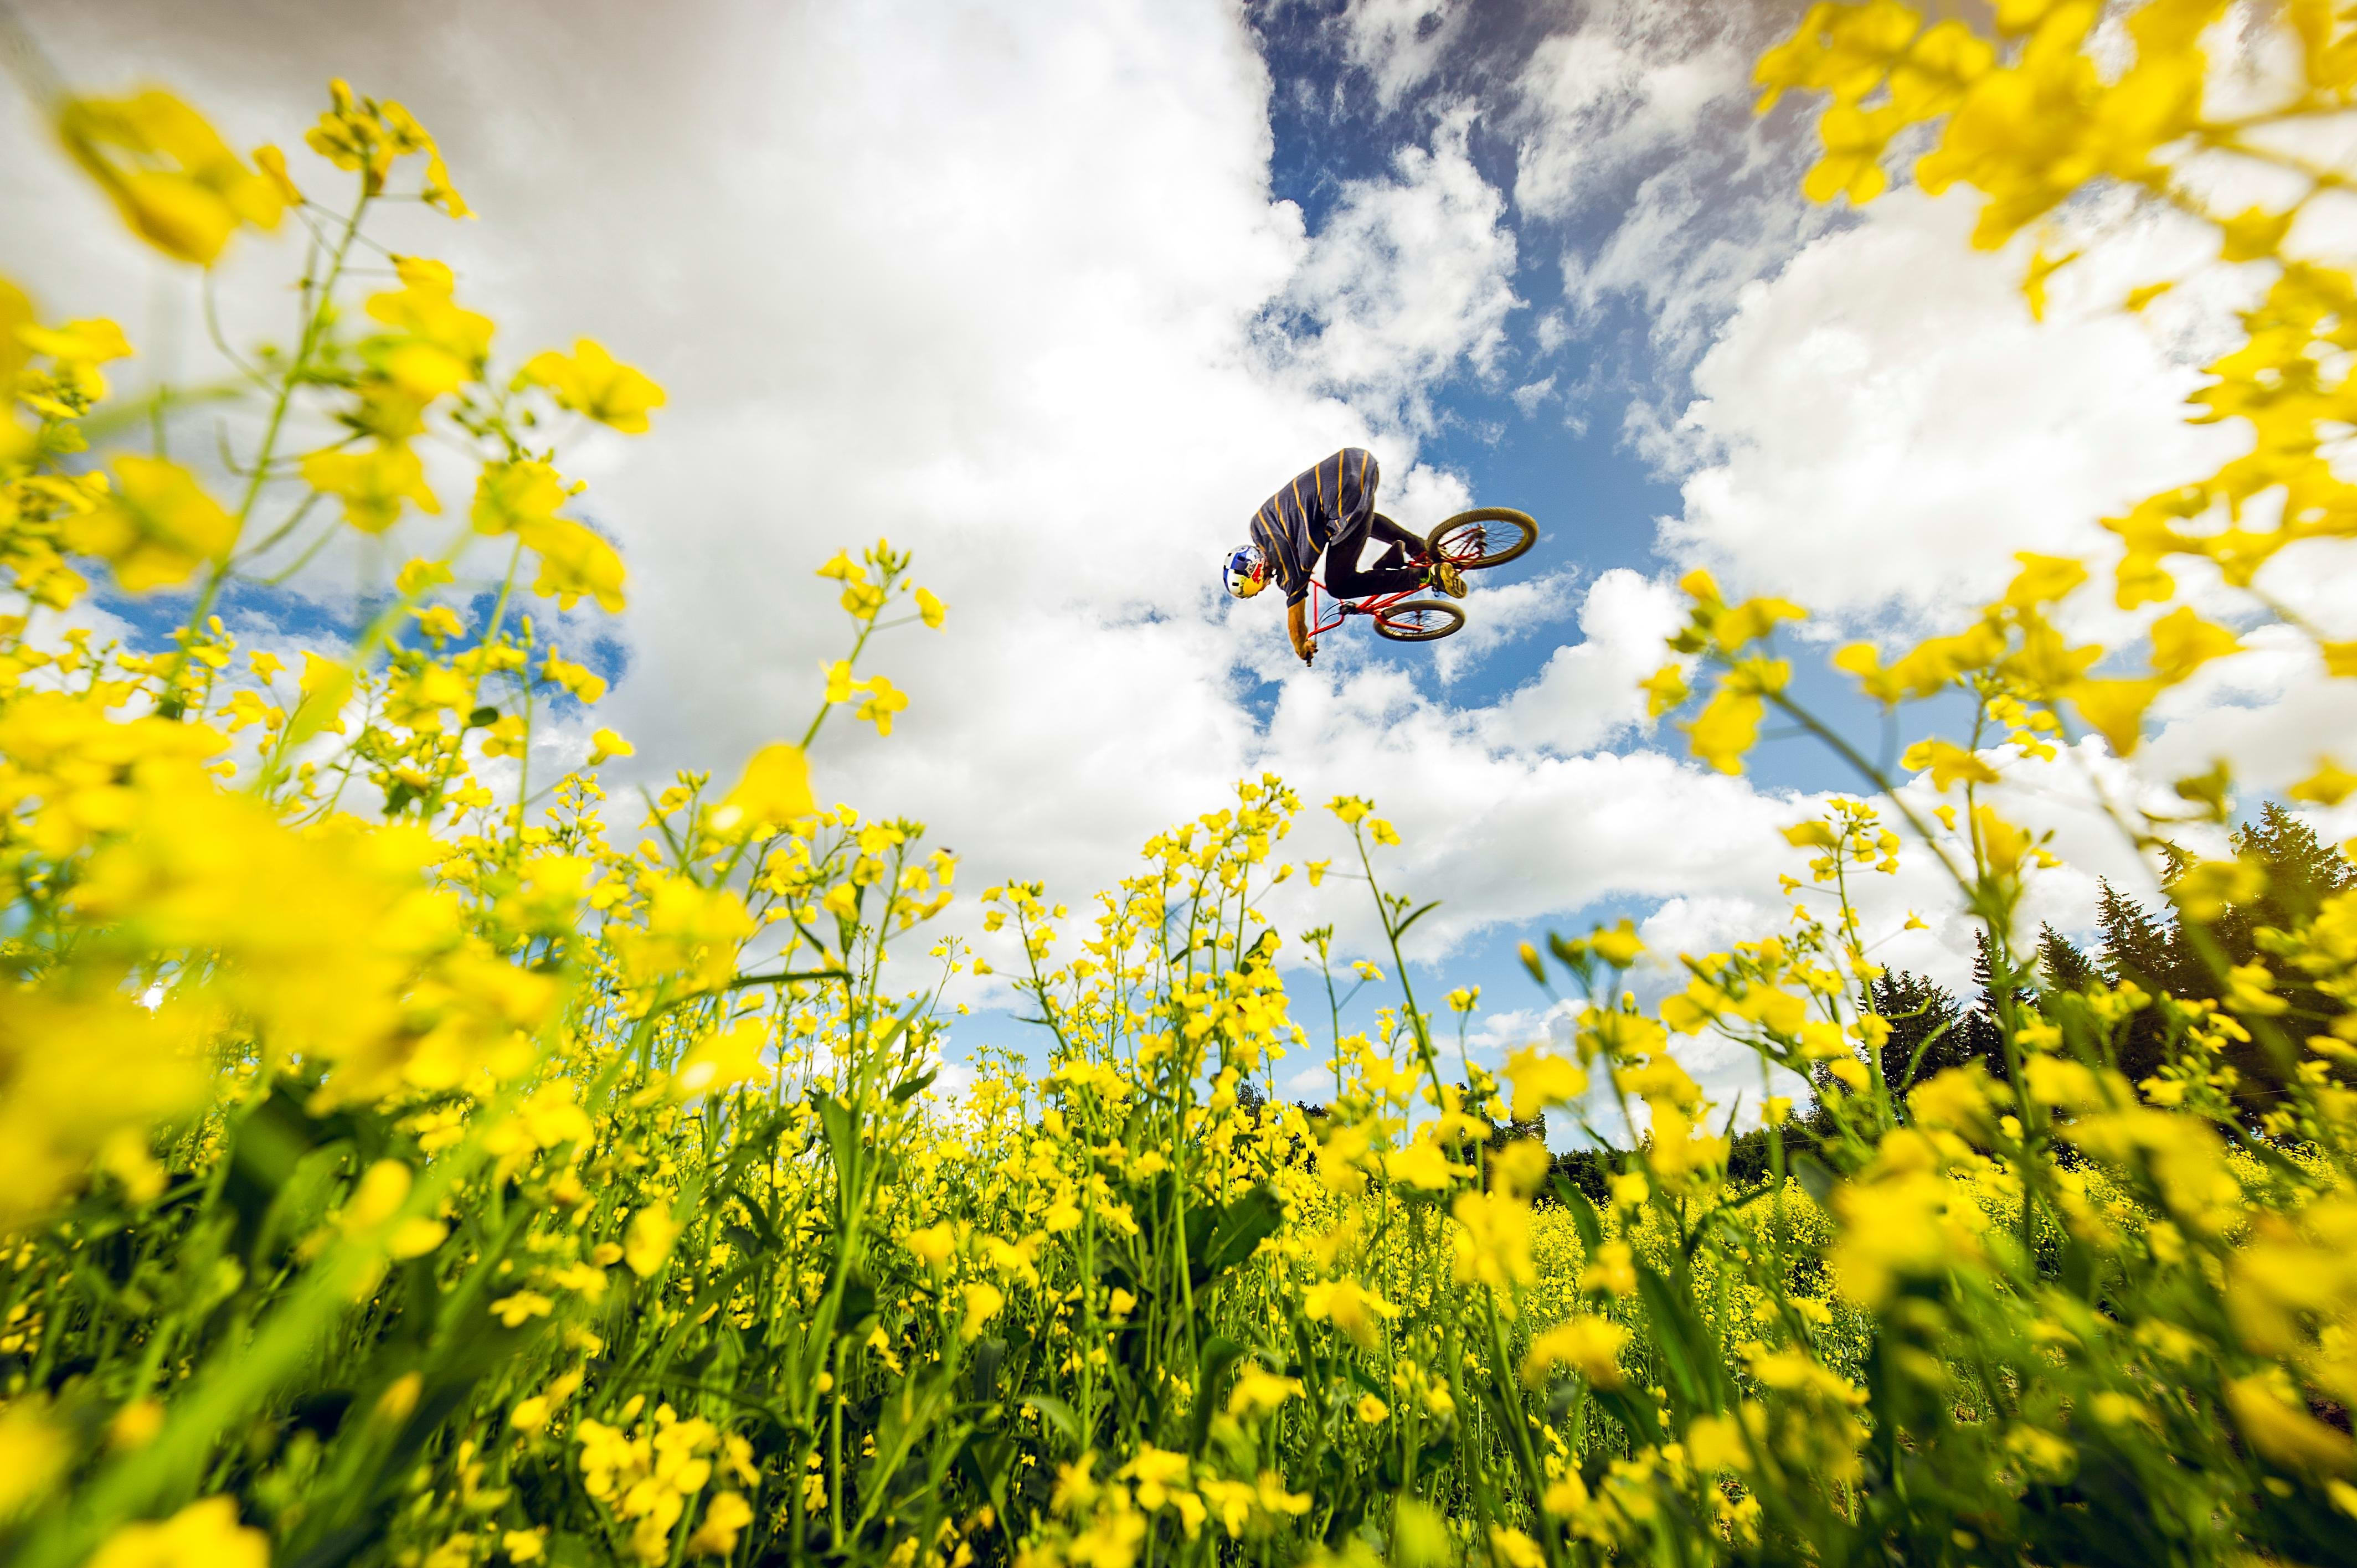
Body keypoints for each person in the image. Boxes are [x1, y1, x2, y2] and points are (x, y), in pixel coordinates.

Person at [1223, 447, 1463, 665]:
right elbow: (1300, 519)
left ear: (1253, 576)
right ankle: (1420, 549)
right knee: (1354, 522)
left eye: (1257, 588)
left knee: (1340, 585)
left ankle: (1429, 576)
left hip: (1343, 496)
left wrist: (1301, 647)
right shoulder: (1259, 524)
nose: (1264, 589)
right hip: (1357, 462)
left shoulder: (1287, 568)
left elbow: (1297, 627)